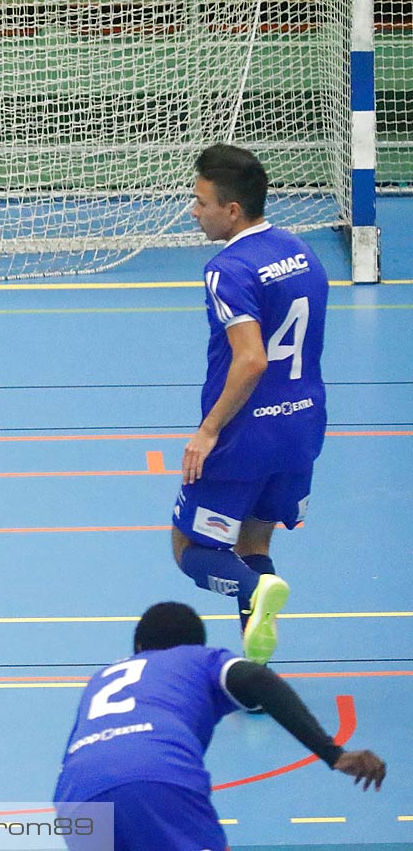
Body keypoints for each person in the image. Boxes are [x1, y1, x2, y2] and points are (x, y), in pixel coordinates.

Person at [53, 601, 385, 851]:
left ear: (139, 648)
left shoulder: (100, 678)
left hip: (75, 793)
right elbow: (255, 677)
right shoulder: (200, 659)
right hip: (155, 776)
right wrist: (332, 754)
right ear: (194, 644)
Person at [172, 144, 329, 664]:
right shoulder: (302, 251)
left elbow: (251, 360)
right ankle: (256, 676)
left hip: (244, 434)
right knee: (255, 545)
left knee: (189, 549)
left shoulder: (227, 269)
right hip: (302, 425)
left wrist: (209, 430)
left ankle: (253, 592)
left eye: (200, 202)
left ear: (232, 209)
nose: (194, 212)